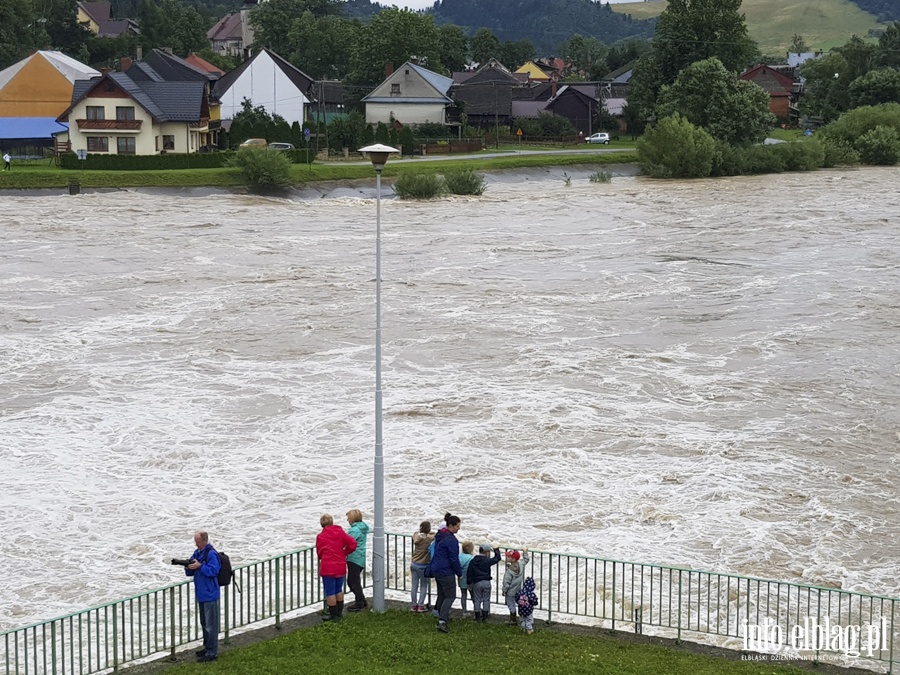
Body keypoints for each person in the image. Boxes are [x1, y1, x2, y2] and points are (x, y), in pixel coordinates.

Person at [185, 531, 221, 663]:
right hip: (202, 594)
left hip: (210, 594)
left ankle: (212, 652)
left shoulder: (211, 554)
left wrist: (200, 566)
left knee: (211, 625)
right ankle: (207, 648)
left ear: (204, 541)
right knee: (204, 623)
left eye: (198, 541)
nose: (196, 544)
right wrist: (187, 565)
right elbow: (190, 572)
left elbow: (214, 571)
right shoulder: (198, 553)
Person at [316, 513, 357, 622]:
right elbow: (353, 543)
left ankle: (333, 615)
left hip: (327, 566)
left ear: (322, 524)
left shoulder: (320, 536)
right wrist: (344, 552)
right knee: (338, 589)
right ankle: (339, 613)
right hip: (340, 564)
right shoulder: (340, 533)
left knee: (330, 591)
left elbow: (319, 553)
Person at [430, 513, 462, 633]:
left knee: (442, 594)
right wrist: (459, 573)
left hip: (437, 568)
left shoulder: (440, 535)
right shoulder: (451, 540)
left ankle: (440, 614)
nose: (459, 528)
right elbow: (453, 558)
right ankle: (442, 620)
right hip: (446, 570)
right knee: (450, 595)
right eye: (458, 526)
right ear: (451, 526)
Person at [466, 543, 501, 622]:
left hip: (477, 582)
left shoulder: (473, 561)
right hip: (486, 582)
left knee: (477, 600)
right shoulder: (487, 560)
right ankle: (485, 616)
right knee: (486, 599)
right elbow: (497, 558)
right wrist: (496, 550)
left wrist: (469, 583)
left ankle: (477, 616)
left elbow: (469, 572)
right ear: (487, 552)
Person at [345, 509, 369, 612]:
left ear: (353, 518)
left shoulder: (354, 530)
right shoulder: (362, 527)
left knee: (352, 582)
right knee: (355, 580)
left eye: (349, 518)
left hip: (354, 558)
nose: (347, 520)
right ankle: (361, 600)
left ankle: (359, 602)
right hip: (360, 557)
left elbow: (348, 542)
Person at [410, 521, 434, 612]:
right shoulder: (428, 539)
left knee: (414, 586)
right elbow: (434, 535)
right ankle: (420, 605)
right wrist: (430, 533)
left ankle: (413, 605)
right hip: (423, 564)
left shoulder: (416, 537)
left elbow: (415, 534)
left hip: (414, 563)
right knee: (424, 585)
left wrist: (421, 532)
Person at [502, 548, 530, 625]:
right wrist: (525, 552)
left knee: (511, 604)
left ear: (513, 559)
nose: (506, 557)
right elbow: (526, 559)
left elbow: (506, 582)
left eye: (508, 556)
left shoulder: (509, 570)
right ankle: (522, 617)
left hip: (510, 591)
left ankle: (513, 619)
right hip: (518, 589)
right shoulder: (521, 564)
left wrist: (504, 590)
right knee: (518, 603)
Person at [457, 541, 475, 617]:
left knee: (463, 595)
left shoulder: (459, 556)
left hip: (461, 578)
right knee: (473, 596)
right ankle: (476, 610)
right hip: (470, 580)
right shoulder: (471, 558)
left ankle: (464, 611)